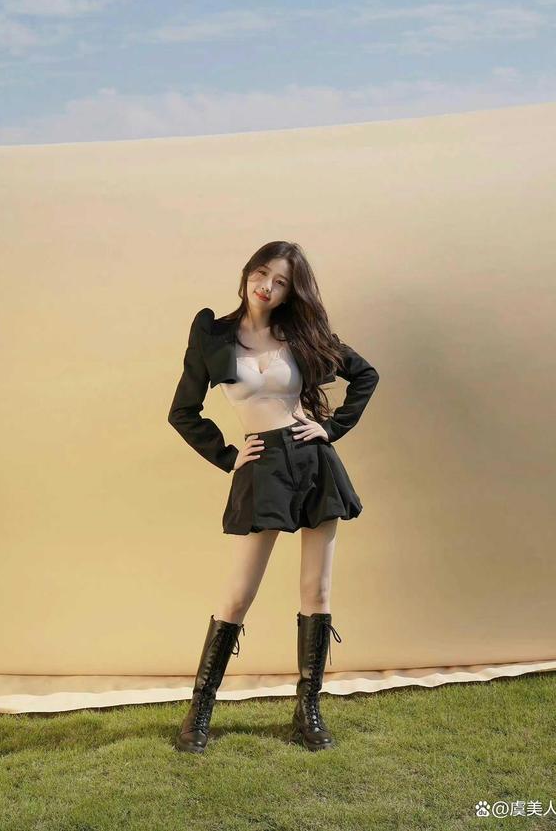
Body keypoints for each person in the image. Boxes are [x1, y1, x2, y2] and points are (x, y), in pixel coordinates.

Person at [167, 240, 379, 753]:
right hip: (261, 468)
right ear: (247, 273)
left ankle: (308, 710)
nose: (267, 286)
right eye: (262, 274)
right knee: (238, 595)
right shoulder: (213, 334)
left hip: (313, 462)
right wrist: (227, 456)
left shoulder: (301, 333)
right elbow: (183, 411)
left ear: (290, 292)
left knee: (317, 592)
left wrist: (331, 428)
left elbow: (365, 375)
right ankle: (200, 711)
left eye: (281, 282)